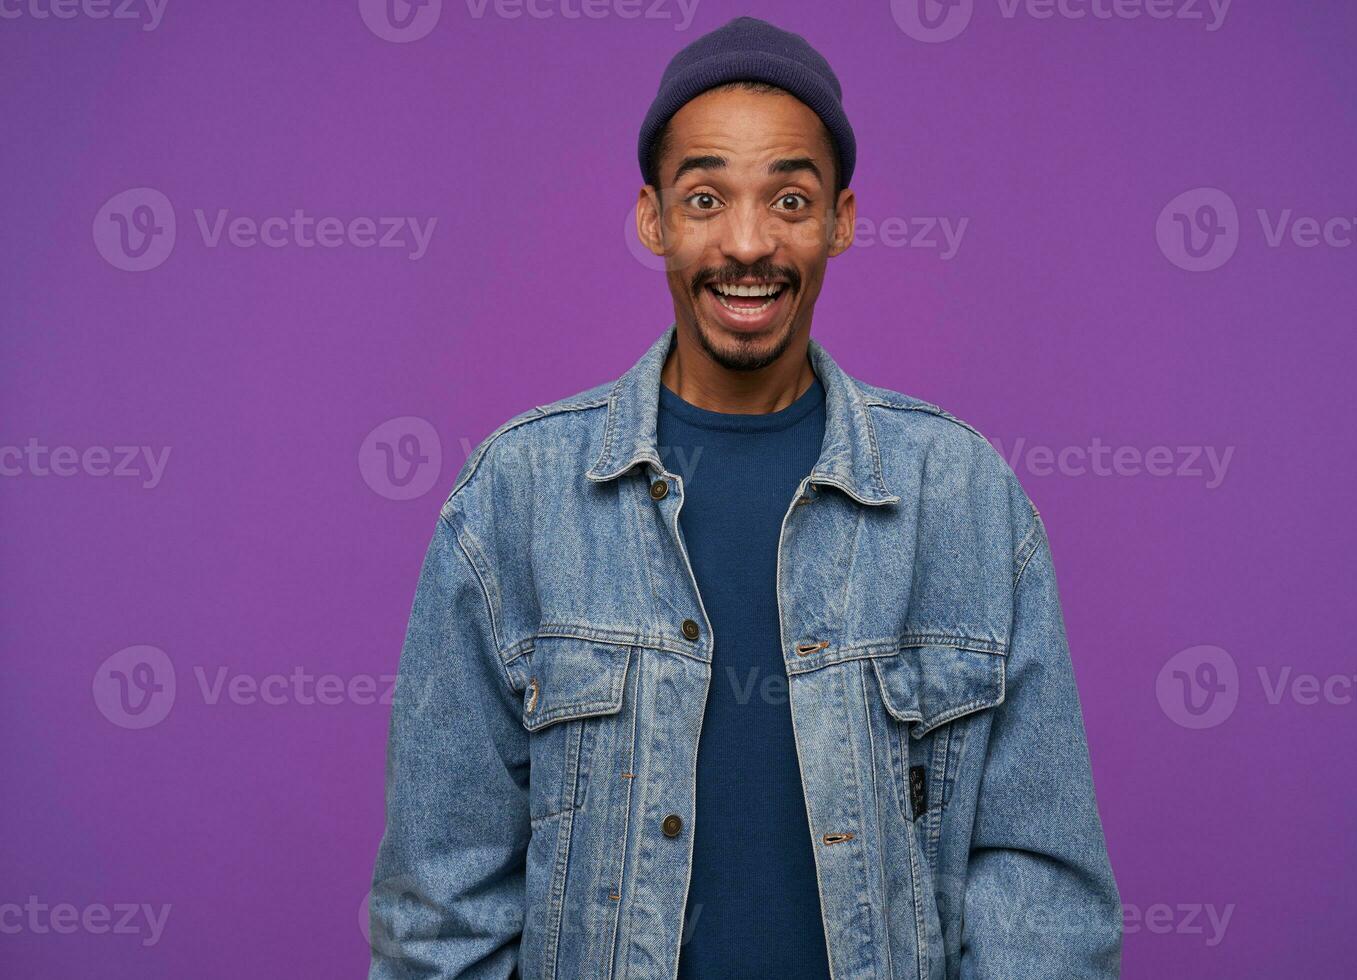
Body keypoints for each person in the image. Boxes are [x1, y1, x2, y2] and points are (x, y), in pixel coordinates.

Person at [368, 15, 1121, 979]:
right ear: (654, 220)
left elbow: (1040, 893)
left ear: (841, 220)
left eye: (791, 199)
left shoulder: (961, 495)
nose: (748, 242)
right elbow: (443, 901)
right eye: (707, 196)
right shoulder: (514, 499)